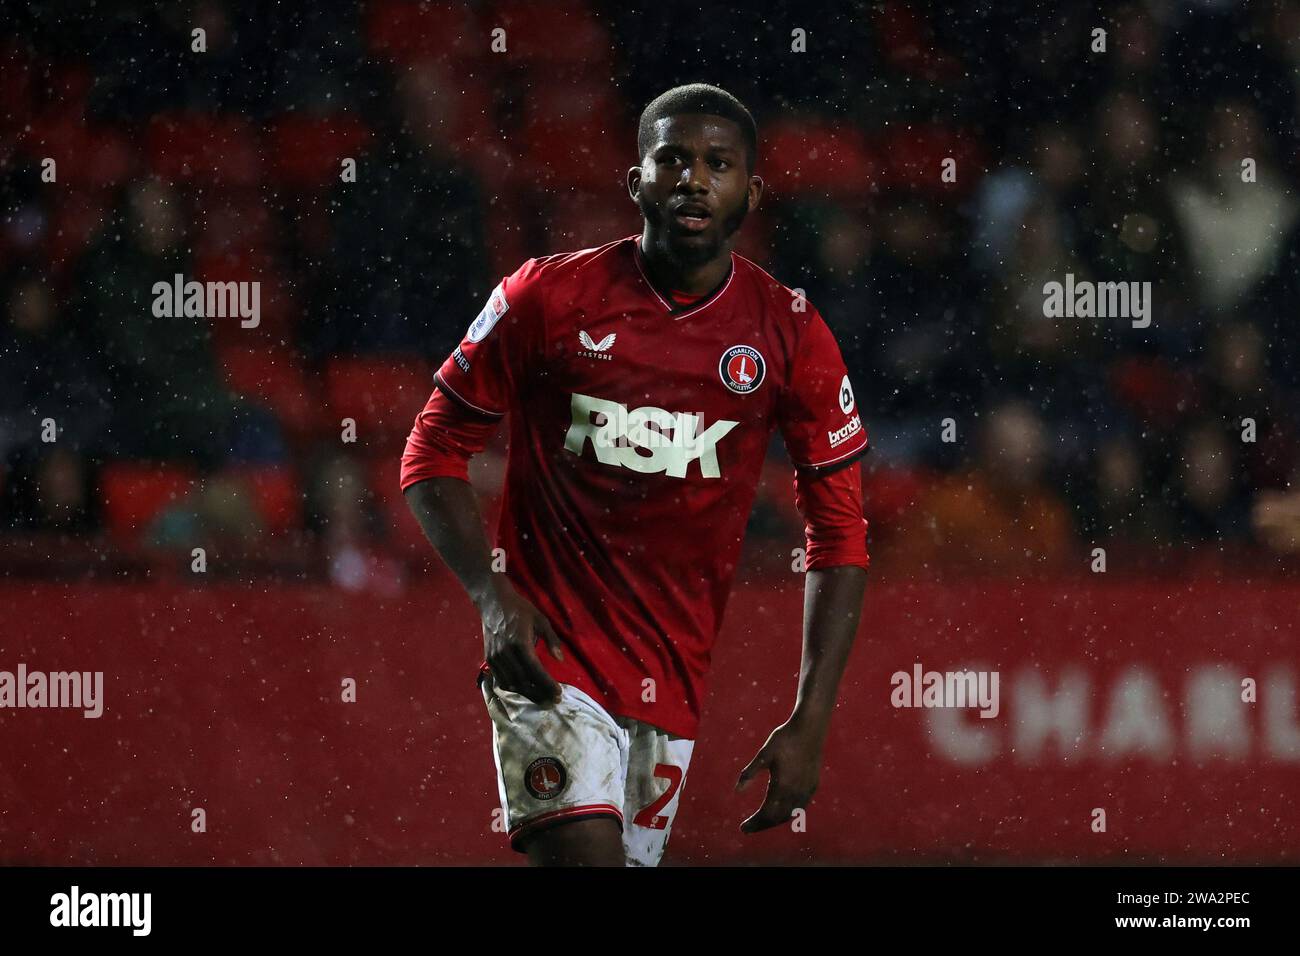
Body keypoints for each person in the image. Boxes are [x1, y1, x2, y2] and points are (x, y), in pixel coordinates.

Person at [401, 84, 870, 866]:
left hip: (671, 675)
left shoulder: (790, 334)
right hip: (547, 654)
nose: (694, 179)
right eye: (673, 159)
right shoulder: (545, 297)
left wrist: (810, 718)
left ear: (749, 194)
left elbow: (841, 533)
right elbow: (431, 449)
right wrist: (491, 593)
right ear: (635, 180)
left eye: (718, 165)